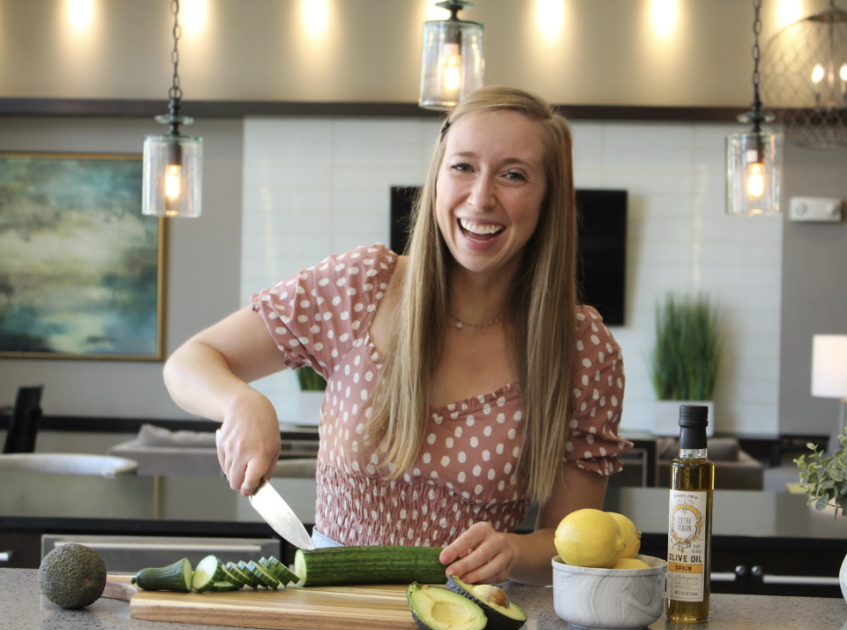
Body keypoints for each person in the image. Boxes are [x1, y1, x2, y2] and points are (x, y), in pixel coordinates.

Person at [163, 86, 631, 586]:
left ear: (547, 198)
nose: (481, 196)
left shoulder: (582, 349)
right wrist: (239, 403)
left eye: (514, 175)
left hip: (468, 612)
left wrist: (514, 550)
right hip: (331, 607)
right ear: (437, 178)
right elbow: (191, 361)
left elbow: (570, 542)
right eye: (463, 167)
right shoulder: (360, 286)